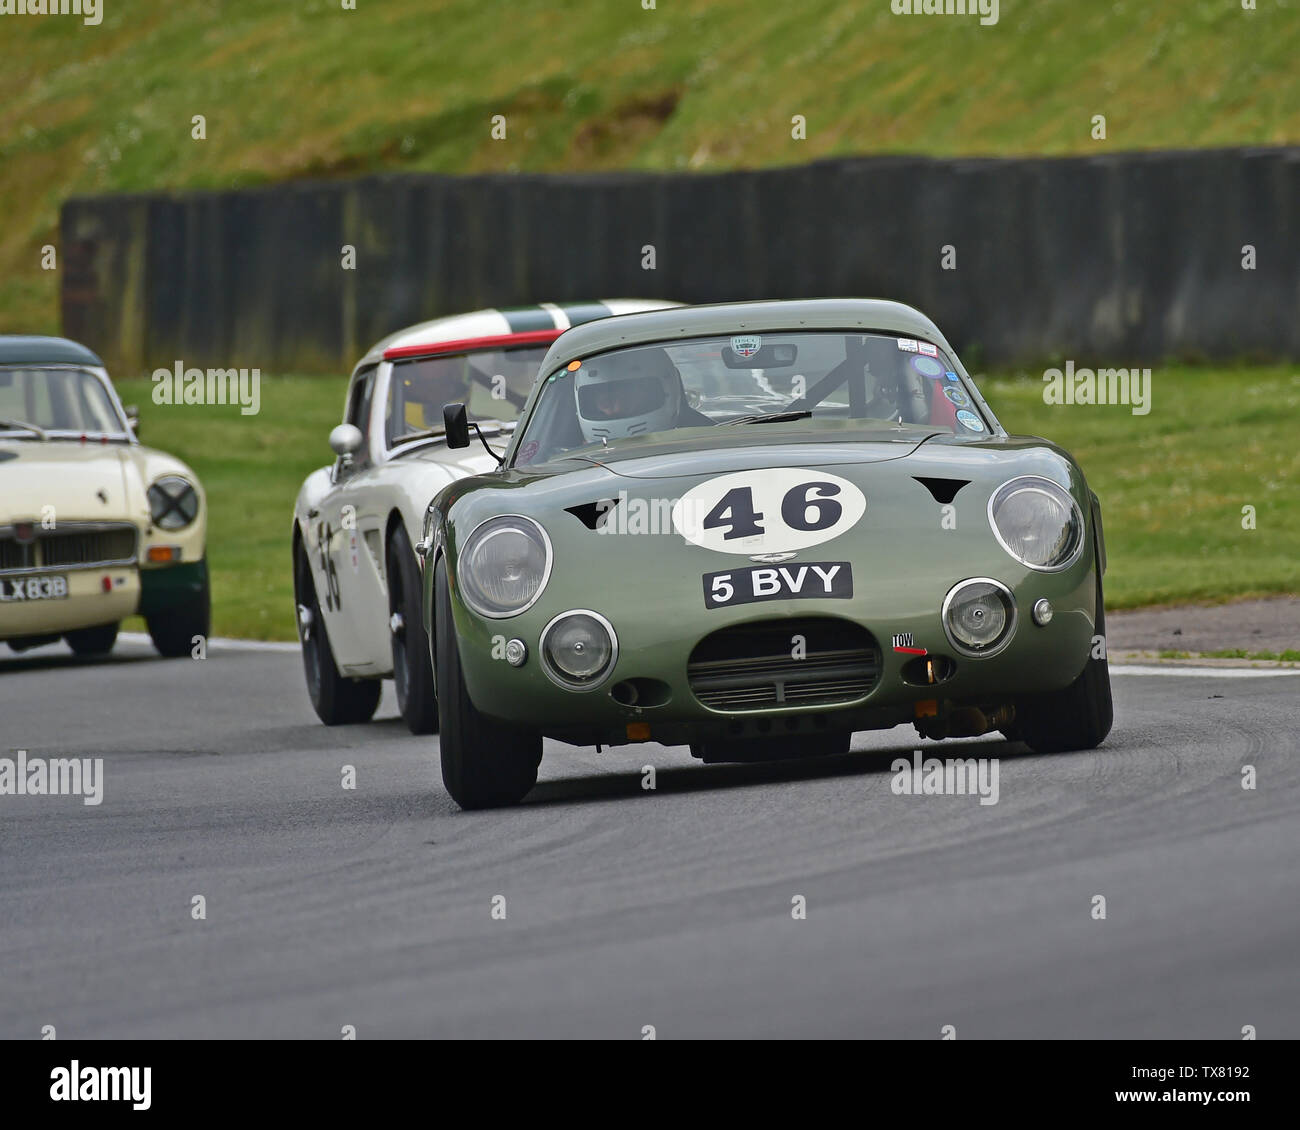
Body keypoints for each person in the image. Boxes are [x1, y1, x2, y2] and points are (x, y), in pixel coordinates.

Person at [574, 346, 712, 444]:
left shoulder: (706, 443)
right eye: (605, 400)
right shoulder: (569, 461)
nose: (615, 408)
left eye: (626, 395)